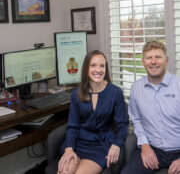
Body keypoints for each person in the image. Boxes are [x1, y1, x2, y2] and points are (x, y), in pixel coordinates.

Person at [57, 50, 128, 174]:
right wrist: (69, 148)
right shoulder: (76, 93)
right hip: (79, 142)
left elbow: (123, 125)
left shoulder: (115, 93)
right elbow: (73, 126)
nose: (98, 70)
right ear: (86, 68)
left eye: (102, 66)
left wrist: (116, 144)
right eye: (93, 65)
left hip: (101, 144)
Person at [121, 41, 180, 174]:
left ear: (166, 60)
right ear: (143, 61)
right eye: (149, 58)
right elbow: (136, 120)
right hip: (153, 149)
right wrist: (145, 146)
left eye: (158, 57)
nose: (153, 62)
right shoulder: (136, 88)